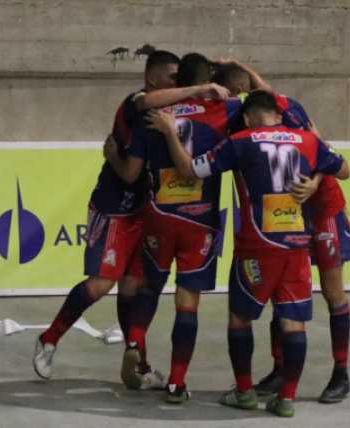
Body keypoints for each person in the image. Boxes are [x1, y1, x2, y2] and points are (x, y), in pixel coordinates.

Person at [147, 90, 350, 417]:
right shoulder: (306, 140)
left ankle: (243, 392)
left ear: (246, 117)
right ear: (278, 115)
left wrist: (171, 131)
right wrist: (313, 181)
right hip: (296, 245)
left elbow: (188, 170)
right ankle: (286, 399)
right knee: (293, 322)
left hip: (257, 247)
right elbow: (344, 170)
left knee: (240, 319)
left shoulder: (240, 141)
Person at [32, 50, 227, 388]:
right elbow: (127, 173)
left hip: (151, 211)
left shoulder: (171, 112)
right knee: (101, 284)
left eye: (181, 77)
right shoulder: (139, 103)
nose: (176, 82)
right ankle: (49, 339)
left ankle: (139, 364)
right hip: (115, 206)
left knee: (133, 289)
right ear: (151, 78)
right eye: (170, 76)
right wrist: (198, 88)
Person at [212, 60, 350, 403]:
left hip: (323, 211)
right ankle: (280, 372)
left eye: (230, 95)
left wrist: (316, 182)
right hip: (288, 222)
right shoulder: (243, 122)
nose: (228, 100)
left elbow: (328, 152)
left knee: (333, 293)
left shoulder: (287, 112)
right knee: (283, 296)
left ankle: (341, 372)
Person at [104, 52, 242, 403]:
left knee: (150, 286)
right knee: (187, 302)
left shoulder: (152, 114)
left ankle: (135, 340)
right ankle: (177, 383)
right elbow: (257, 101)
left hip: (159, 215)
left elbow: (132, 168)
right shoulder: (225, 111)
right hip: (200, 219)